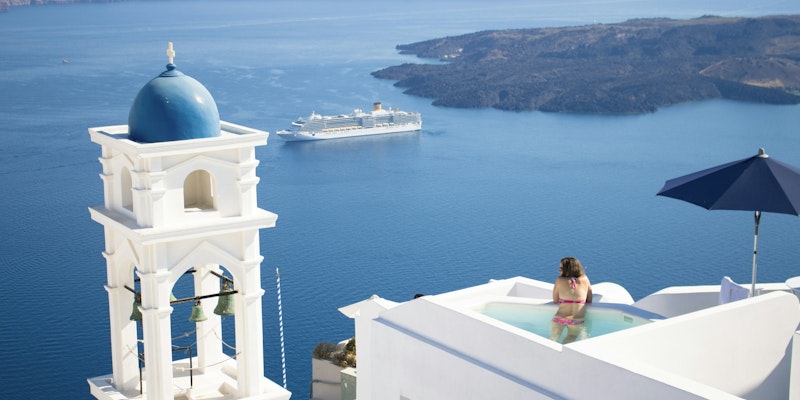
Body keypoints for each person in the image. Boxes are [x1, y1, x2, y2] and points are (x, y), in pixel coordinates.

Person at [550, 256, 592, 344]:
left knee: (552, 339)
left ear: (568, 269)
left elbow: (555, 300)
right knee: (570, 339)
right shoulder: (585, 279)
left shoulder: (559, 280)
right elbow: (589, 299)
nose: (559, 271)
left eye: (561, 268)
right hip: (576, 320)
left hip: (559, 318)